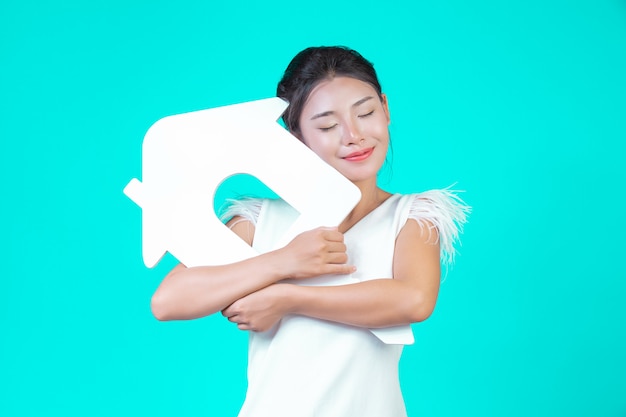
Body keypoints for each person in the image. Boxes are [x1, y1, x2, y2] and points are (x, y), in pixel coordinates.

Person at [150, 46, 470, 417]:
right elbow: (168, 300)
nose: (353, 136)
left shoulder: (411, 216)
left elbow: (413, 300)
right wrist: (284, 261)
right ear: (295, 134)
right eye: (327, 125)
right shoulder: (261, 220)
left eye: (365, 112)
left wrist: (288, 299)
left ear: (386, 108)